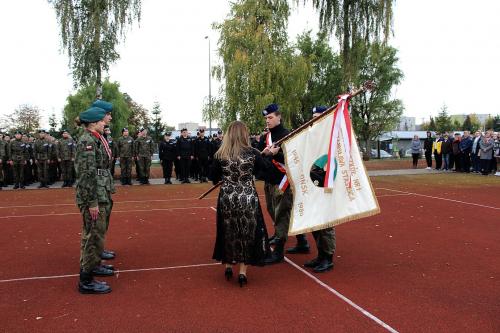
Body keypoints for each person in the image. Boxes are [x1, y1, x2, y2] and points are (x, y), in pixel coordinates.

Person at [211, 121, 270, 287]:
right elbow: (264, 170)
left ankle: (229, 265)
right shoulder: (253, 153)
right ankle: (243, 273)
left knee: (228, 231)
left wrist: (225, 177)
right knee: (247, 233)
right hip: (248, 197)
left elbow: (213, 177)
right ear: (244, 134)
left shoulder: (220, 154)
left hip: (227, 198)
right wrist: (266, 155)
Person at [74, 106, 114, 294]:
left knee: (95, 233)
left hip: (100, 190)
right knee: (92, 236)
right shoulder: (86, 141)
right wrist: (92, 203)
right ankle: (86, 281)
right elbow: (86, 175)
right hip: (93, 194)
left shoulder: (93, 139)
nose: (104, 123)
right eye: (101, 122)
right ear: (93, 123)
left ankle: (94, 265)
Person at [257, 103, 303, 264]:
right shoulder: (265, 137)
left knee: (282, 213)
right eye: (266, 118)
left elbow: (295, 160)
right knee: (272, 210)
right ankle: (301, 240)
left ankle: (278, 251)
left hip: (282, 181)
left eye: (270, 117)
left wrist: (278, 154)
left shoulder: (288, 135)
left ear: (279, 117)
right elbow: (260, 157)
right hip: (269, 180)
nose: (267, 121)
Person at [301, 106, 336, 272]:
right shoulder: (312, 134)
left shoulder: (331, 134)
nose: (314, 119)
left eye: (318, 116)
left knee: (325, 223)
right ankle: (321, 255)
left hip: (327, 183)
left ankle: (328, 258)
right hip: (313, 183)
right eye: (313, 116)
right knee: (315, 222)